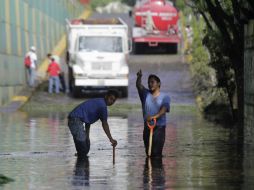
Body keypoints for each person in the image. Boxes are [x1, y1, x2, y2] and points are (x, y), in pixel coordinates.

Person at [67, 89, 119, 158]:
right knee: (83, 150)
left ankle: (82, 163)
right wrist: (111, 139)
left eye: (113, 100)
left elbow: (88, 122)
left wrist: (87, 137)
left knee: (86, 148)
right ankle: (80, 164)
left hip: (76, 121)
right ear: (106, 96)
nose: (111, 102)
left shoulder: (100, 103)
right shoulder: (102, 106)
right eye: (111, 99)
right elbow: (104, 124)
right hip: (75, 120)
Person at [136, 69, 170, 157]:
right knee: (148, 153)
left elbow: (164, 109)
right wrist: (139, 77)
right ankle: (148, 170)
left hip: (159, 128)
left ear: (159, 83)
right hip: (147, 128)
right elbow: (139, 86)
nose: (150, 84)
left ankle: (157, 170)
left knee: (156, 154)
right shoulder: (145, 94)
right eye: (148, 82)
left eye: (152, 82)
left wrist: (154, 117)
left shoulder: (165, 97)